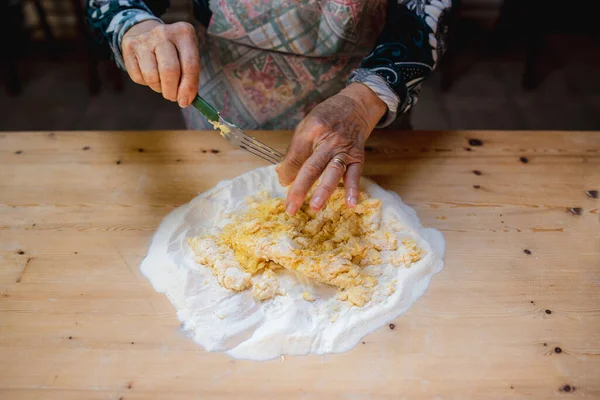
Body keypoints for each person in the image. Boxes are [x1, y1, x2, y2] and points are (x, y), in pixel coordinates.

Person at [87, 0, 451, 214]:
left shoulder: (365, 103)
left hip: (366, 99)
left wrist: (363, 102)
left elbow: (427, 6)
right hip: (226, 90)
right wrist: (134, 24)